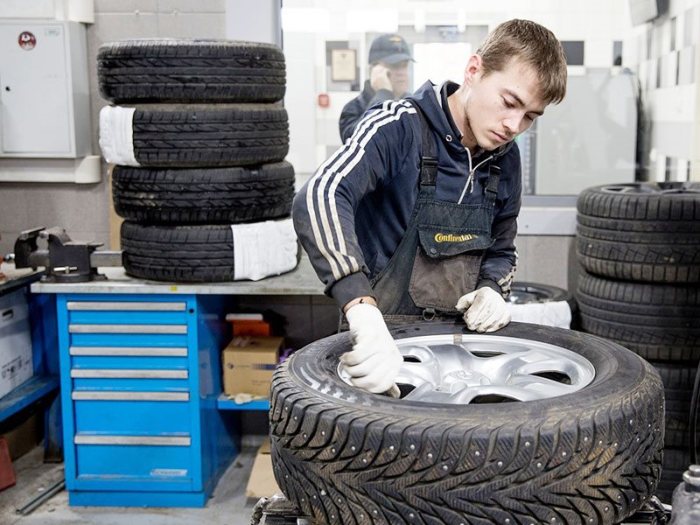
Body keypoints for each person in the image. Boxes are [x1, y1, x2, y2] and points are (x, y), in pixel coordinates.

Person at [294, 19, 568, 395]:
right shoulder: (398, 126)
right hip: (381, 350)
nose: (513, 125)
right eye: (510, 103)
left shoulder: (507, 158)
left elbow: (502, 249)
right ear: (474, 71)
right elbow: (320, 196)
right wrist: (361, 310)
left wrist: (492, 289)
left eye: (530, 117)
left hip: (461, 359)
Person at [338, 33, 413, 143]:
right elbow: (360, 142)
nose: (402, 72)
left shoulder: (413, 104)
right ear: (375, 70)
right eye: (395, 65)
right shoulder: (352, 109)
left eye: (404, 65)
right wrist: (384, 95)